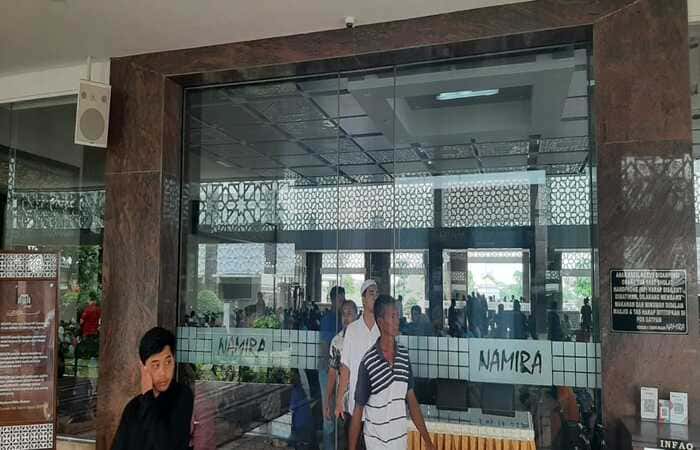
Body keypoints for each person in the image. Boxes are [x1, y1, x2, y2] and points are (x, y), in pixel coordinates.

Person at [348, 295, 435, 450]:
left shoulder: (403, 356)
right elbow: (358, 410)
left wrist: (428, 442)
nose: (397, 321)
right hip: (375, 444)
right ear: (381, 322)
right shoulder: (368, 362)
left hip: (399, 442)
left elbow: (412, 401)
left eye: (398, 316)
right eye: (393, 316)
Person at [112, 327, 194, 450]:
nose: (163, 372)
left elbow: (166, 446)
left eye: (168, 362)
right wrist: (147, 398)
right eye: (156, 365)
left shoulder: (183, 396)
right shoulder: (133, 408)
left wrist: (148, 398)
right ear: (143, 367)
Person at [336, 280, 380, 449]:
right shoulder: (353, 330)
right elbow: (345, 367)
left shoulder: (383, 328)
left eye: (376, 293)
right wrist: (339, 400)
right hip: (357, 403)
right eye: (371, 293)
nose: (374, 297)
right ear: (363, 299)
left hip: (379, 404)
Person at [324, 300, 359, 448]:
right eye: (343, 314)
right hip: (343, 403)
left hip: (363, 402)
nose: (346, 317)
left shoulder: (365, 340)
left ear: (357, 316)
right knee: (345, 441)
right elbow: (332, 373)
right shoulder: (336, 342)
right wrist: (328, 400)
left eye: (350, 313)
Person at [320, 286, 347, 450]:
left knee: (340, 409)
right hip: (328, 370)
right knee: (328, 414)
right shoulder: (328, 319)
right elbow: (324, 347)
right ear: (332, 300)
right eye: (340, 300)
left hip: (342, 371)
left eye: (344, 300)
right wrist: (328, 370)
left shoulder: (343, 319)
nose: (342, 303)